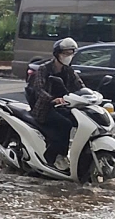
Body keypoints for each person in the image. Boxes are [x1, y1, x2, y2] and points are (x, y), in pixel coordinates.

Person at [28, 37, 85, 170]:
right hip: (45, 108)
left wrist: (90, 96)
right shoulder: (44, 69)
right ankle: (57, 156)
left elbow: (80, 86)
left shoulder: (69, 70)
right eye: (65, 53)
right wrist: (53, 99)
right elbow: (38, 89)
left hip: (64, 107)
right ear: (57, 54)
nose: (68, 57)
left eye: (70, 53)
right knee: (65, 124)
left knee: (80, 123)